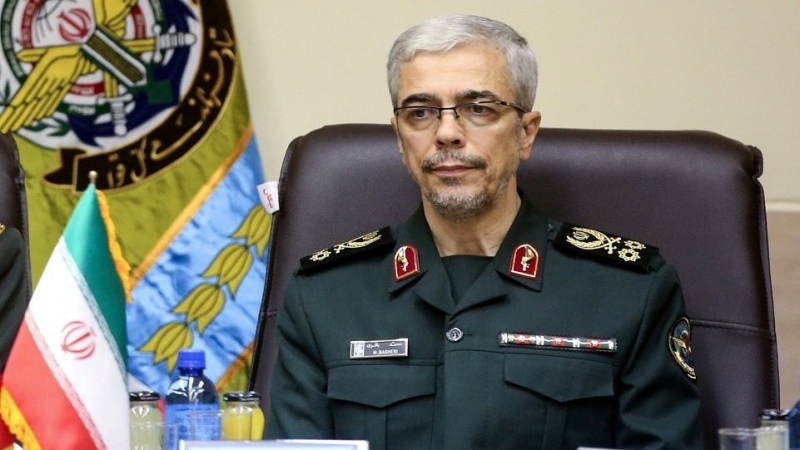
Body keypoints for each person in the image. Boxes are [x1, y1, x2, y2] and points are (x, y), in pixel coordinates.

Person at [266, 14, 702, 450]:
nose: (447, 133)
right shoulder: (323, 297)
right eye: (420, 113)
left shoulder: (629, 291)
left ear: (525, 133)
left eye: (479, 109)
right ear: (399, 138)